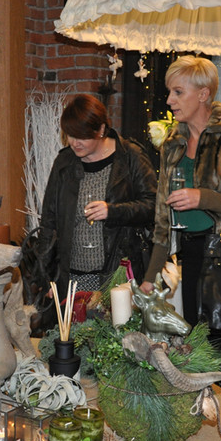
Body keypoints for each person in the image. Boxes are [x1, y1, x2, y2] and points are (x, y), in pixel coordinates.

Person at [139, 56, 221, 405]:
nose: (170, 100)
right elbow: (163, 216)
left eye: (177, 92)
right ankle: (206, 424)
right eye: (170, 92)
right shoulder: (173, 142)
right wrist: (151, 275)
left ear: (203, 94)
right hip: (194, 256)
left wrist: (204, 198)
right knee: (198, 354)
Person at [37, 94, 157, 306]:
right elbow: (49, 221)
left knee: (114, 327)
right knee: (72, 327)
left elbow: (153, 206)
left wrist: (113, 211)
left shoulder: (131, 156)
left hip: (117, 276)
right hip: (72, 277)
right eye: (70, 135)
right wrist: (45, 277)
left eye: (81, 136)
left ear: (101, 130)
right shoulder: (64, 162)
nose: (74, 142)